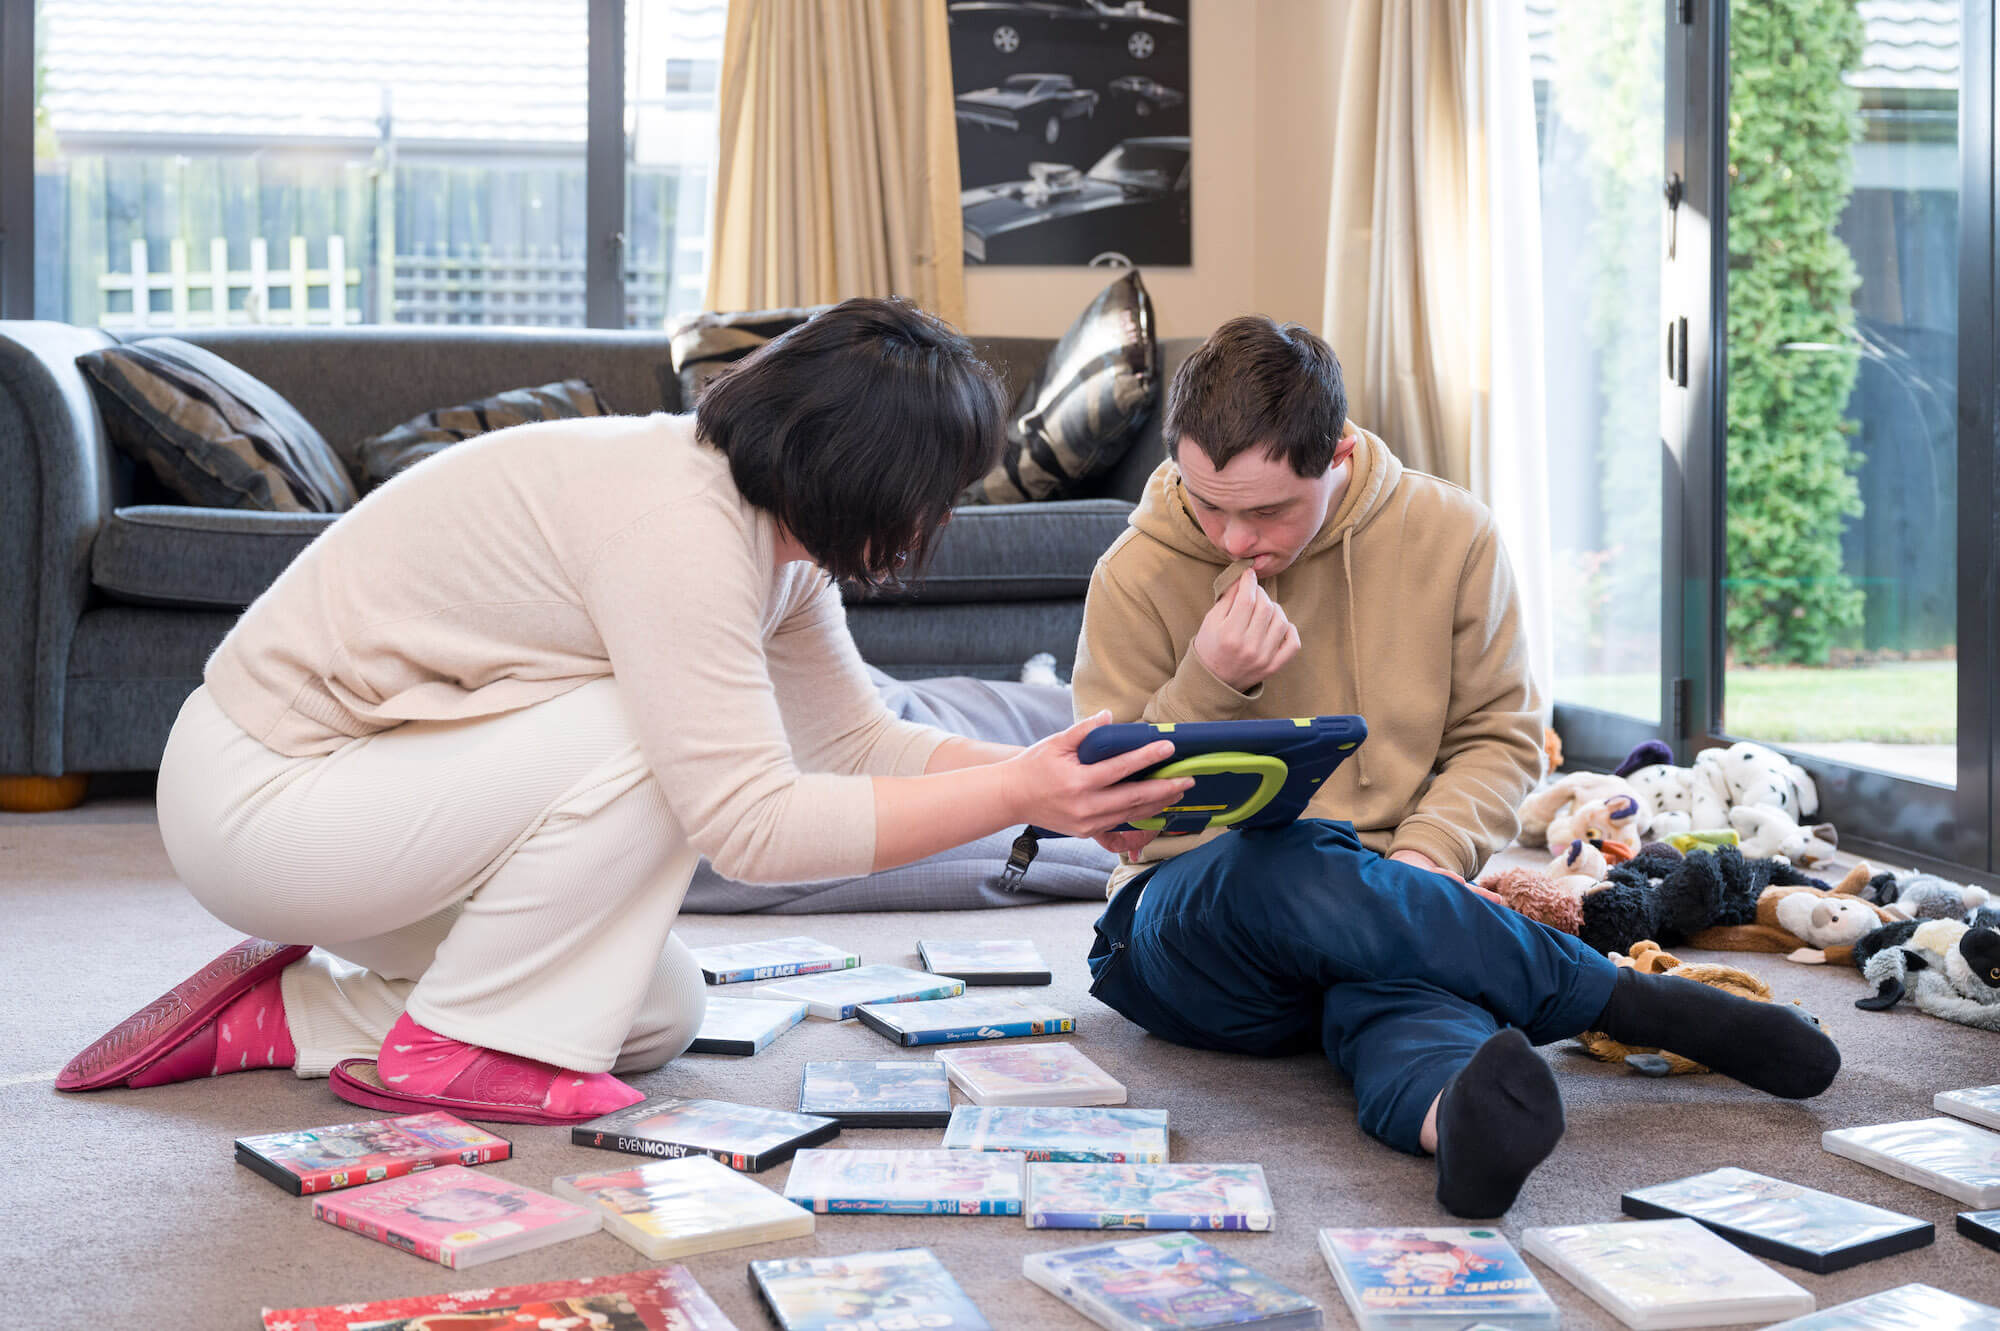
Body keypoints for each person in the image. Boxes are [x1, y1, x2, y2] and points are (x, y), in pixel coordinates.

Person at [57, 298, 1193, 1125]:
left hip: (377, 805)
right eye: (935, 492)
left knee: (651, 1009)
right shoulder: (679, 526)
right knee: (642, 736)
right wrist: (1016, 794)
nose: (934, 519)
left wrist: (1044, 773)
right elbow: (750, 827)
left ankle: (286, 1017)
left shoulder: (771, 537)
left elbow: (852, 742)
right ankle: (451, 1045)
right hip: (267, 798)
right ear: (870, 475)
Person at [1071, 316, 1840, 1218]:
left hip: (1403, 904)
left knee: (1409, 979)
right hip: (1200, 928)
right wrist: (1209, 681)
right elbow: (1108, 806)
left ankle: (1460, 1125)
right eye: (1208, 505)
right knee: (1277, 860)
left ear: (1340, 454)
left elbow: (1501, 732)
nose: (1233, 538)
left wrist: (1426, 859)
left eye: (1266, 510)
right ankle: (1628, 999)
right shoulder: (1133, 572)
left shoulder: (1451, 534)